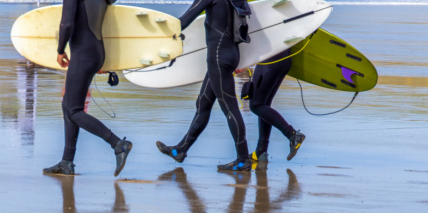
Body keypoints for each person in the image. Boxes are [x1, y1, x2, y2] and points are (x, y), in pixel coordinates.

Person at [156, 0, 253, 171]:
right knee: (203, 104)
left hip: (218, 57)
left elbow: (182, 22)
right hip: (231, 53)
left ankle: (243, 159)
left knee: (230, 109)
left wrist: (151, 35)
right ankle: (180, 150)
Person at [43, 0, 132, 176]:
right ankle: (66, 162)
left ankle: (118, 144)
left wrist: (60, 50)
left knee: (74, 110)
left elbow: (67, 23)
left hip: (83, 54)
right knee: (67, 104)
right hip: (97, 52)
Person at [246, 49, 306, 162]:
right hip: (285, 58)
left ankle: (292, 134)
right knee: (264, 103)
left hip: (270, 57)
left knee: (256, 105)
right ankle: (261, 151)